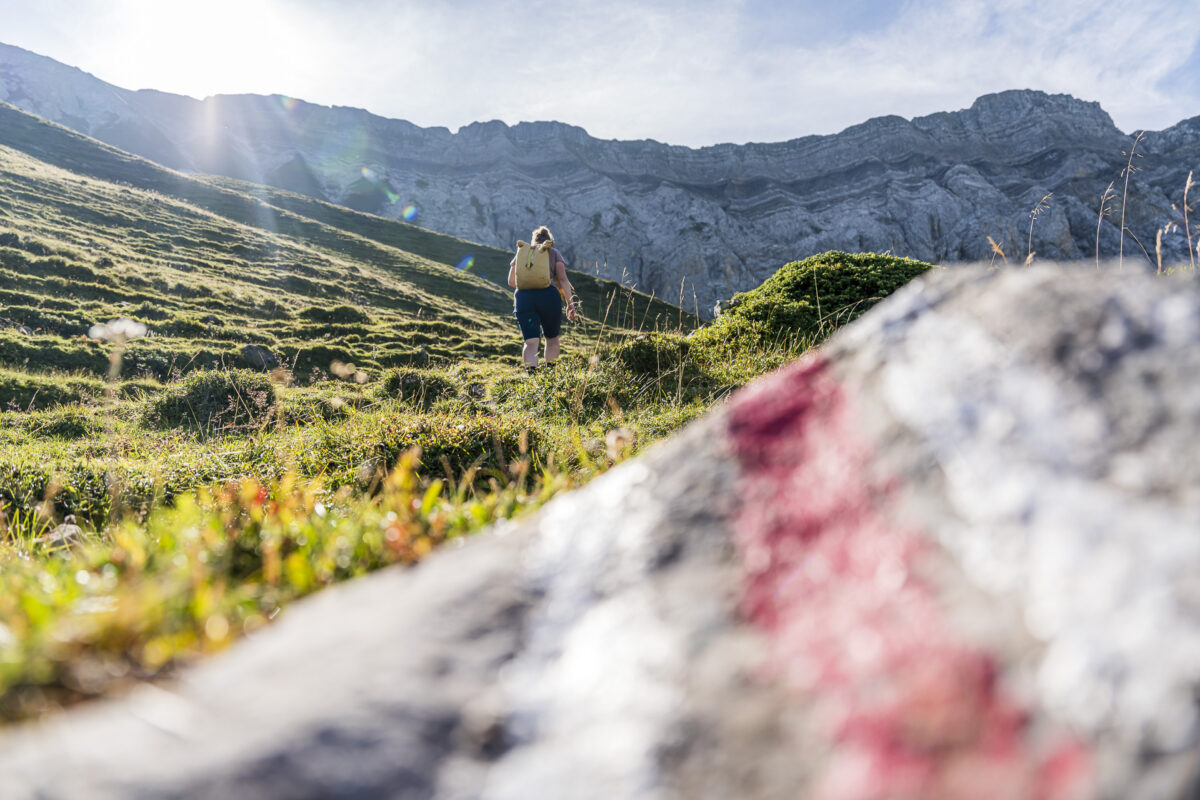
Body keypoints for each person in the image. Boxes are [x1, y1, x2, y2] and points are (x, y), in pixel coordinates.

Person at [508, 225, 576, 369]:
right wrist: (571, 304)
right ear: (549, 240)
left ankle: (532, 377)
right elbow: (563, 279)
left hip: (524, 299)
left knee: (530, 342)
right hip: (548, 297)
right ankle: (549, 376)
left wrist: (529, 283)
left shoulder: (522, 252)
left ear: (533, 240)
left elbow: (511, 281)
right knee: (551, 339)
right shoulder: (553, 252)